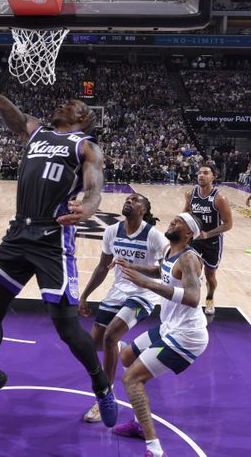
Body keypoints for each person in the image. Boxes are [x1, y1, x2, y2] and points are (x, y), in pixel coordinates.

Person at [0, 43, 118, 427]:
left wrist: (90, 208)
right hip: (18, 234)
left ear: (83, 119)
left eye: (74, 105)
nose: (65, 104)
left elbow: (95, 188)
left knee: (65, 328)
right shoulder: (34, 130)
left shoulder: (86, 146)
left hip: (51, 240)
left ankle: (102, 386)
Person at [111, 213, 208, 457]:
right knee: (125, 357)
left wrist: (146, 284)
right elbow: (160, 271)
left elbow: (193, 298)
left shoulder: (188, 259)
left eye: (180, 222)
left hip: (186, 336)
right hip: (169, 327)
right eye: (173, 219)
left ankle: (154, 448)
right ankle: (137, 422)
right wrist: (132, 266)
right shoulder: (170, 252)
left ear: (188, 233)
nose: (173, 221)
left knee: (131, 379)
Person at [77, 193, 168, 424]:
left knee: (109, 335)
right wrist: (85, 295)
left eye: (136, 200)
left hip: (143, 294)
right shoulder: (112, 232)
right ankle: (120, 346)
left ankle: (105, 397)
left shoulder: (155, 237)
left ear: (144, 210)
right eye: (128, 199)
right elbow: (102, 267)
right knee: (95, 343)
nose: (129, 201)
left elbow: (164, 272)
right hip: (117, 292)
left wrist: (136, 268)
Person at [183, 164, 233, 315]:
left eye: (205, 173)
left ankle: (210, 299)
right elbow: (186, 212)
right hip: (196, 240)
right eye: (199, 173)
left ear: (213, 177)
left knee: (210, 275)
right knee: (191, 271)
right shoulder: (190, 194)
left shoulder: (219, 198)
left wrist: (208, 234)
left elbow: (228, 224)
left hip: (213, 242)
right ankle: (190, 299)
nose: (201, 175)